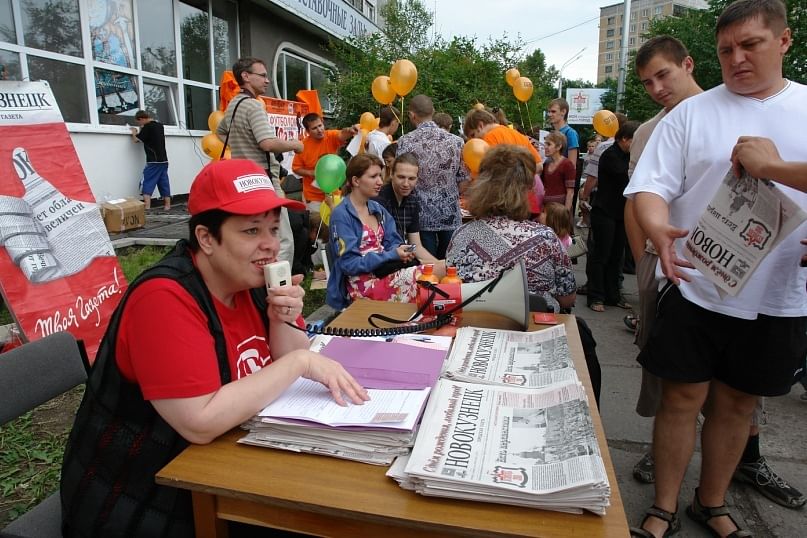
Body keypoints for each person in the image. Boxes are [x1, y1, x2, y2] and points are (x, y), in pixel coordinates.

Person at [60, 159, 368, 538]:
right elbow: (200, 421)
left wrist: (280, 317)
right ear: (206, 238)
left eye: (273, 228)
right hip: (145, 501)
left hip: (230, 473)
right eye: (252, 230)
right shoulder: (164, 298)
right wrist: (301, 363)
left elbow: (288, 359)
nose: (270, 244)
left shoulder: (251, 280)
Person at [625, 2, 807, 537]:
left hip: (778, 291)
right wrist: (657, 228)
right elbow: (650, 186)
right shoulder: (693, 113)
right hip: (696, 281)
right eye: (727, 49)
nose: (737, 58)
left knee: (738, 404)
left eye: (750, 44)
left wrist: (772, 168)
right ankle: (662, 506)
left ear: (784, 41)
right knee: (680, 399)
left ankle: (712, 502)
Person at [447, 145, 576, 314]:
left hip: (474, 327)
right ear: (528, 189)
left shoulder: (461, 236)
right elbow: (567, 298)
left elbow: (452, 286)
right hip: (533, 330)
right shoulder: (546, 239)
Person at [326, 153, 445, 311]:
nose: (380, 182)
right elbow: (349, 265)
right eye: (374, 176)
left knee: (446, 268)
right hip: (364, 287)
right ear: (355, 181)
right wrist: (392, 255)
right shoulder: (342, 215)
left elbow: (394, 242)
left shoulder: (376, 209)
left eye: (380, 176)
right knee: (439, 273)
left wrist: (404, 251)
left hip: (386, 274)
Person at [215, 57, 304, 268]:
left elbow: (221, 133)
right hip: (263, 178)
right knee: (281, 237)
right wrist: (295, 145)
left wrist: (242, 145)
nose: (267, 81)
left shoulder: (234, 104)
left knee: (254, 234)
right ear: (246, 76)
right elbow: (266, 143)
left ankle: (256, 283)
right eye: (262, 75)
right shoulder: (254, 106)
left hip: (243, 179)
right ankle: (278, 287)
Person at [396, 95, 469, 259]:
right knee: (450, 266)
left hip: (419, 216)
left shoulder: (405, 142)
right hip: (450, 213)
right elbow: (464, 180)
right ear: (433, 111)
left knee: (425, 268)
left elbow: (401, 179)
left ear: (412, 115)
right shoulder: (457, 142)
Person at [587, 121, 638, 313]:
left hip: (620, 212)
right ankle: (596, 296)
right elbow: (627, 177)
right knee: (601, 255)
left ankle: (613, 295)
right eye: (635, 140)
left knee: (617, 255)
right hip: (605, 211)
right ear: (624, 139)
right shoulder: (610, 155)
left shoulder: (628, 155)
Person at [463, 108, 543, 213]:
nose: (474, 141)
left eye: (473, 135)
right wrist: (521, 177)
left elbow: (481, 177)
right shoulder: (517, 134)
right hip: (525, 200)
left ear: (480, 125)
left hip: (501, 204)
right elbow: (539, 165)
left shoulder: (487, 139)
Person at [373, 152, 438, 264]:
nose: (406, 184)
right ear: (391, 174)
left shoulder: (412, 202)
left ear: (417, 179)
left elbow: (415, 246)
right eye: (401, 177)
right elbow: (380, 245)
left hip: (404, 256)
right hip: (383, 260)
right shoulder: (379, 201)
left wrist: (438, 264)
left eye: (411, 178)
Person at [293, 113, 359, 213]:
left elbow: (342, 134)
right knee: (317, 226)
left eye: (320, 125)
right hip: (313, 198)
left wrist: (350, 130)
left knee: (337, 224)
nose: (319, 130)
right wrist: (312, 173)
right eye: (314, 128)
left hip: (334, 194)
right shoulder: (302, 146)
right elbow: (296, 168)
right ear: (307, 131)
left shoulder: (330, 136)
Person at [130, 109, 170, 211]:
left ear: (142, 119)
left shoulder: (147, 127)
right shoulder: (160, 126)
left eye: (138, 122)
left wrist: (134, 132)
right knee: (163, 182)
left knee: (147, 182)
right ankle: (167, 206)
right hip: (164, 160)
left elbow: (136, 140)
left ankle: (147, 207)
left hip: (153, 161)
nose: (139, 124)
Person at [540, 131, 576, 210]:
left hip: (560, 211)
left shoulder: (567, 164)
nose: (545, 146)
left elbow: (570, 192)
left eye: (549, 144)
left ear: (559, 147)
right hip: (546, 209)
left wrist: (565, 212)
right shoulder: (546, 164)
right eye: (545, 143)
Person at [546, 98, 579, 169]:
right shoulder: (552, 133)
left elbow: (572, 165)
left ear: (563, 112)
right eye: (548, 111)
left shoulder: (570, 133)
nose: (549, 114)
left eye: (553, 111)